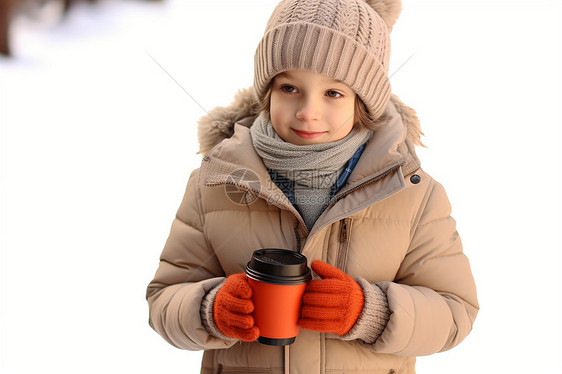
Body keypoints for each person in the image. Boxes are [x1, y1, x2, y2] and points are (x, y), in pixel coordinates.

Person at [146, 0, 479, 373]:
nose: (308, 111)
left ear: (362, 102)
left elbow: (455, 311)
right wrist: (210, 309)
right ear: (267, 91)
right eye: (290, 87)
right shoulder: (215, 183)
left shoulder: (413, 194)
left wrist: (370, 312)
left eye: (333, 93)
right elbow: (164, 300)